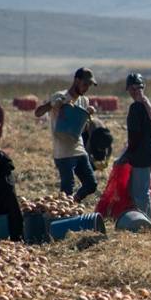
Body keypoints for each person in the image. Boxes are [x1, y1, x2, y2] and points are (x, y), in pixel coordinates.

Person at [35, 67, 98, 202]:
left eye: (89, 85)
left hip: (79, 149)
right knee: (67, 189)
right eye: (85, 84)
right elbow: (38, 112)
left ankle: (73, 203)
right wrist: (53, 104)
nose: (87, 88)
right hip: (63, 153)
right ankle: (64, 217)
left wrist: (87, 116)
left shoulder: (84, 101)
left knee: (91, 184)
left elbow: (83, 128)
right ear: (76, 80)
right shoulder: (60, 96)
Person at [116, 73, 151, 219]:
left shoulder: (136, 108)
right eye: (132, 89)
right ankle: (144, 218)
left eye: (137, 88)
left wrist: (127, 154)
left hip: (142, 154)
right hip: (149, 152)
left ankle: (146, 221)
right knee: (140, 189)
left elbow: (134, 136)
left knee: (141, 192)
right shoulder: (147, 104)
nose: (134, 91)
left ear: (142, 88)